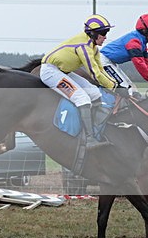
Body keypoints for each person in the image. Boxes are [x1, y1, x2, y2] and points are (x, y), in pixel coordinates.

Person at [40, 14, 124, 148]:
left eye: (106, 32)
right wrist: (115, 89)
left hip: (63, 71)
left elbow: (100, 69)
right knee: (82, 98)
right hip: (50, 72)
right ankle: (89, 139)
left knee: (95, 93)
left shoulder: (93, 48)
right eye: (103, 33)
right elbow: (94, 73)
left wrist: (116, 85)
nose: (105, 37)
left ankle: (94, 130)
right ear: (92, 34)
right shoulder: (84, 46)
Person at [100, 13, 148, 98]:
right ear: (144, 30)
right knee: (125, 89)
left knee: (133, 89)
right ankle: (122, 111)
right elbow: (140, 64)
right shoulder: (134, 41)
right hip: (103, 61)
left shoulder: (142, 43)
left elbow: (146, 62)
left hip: (111, 62)